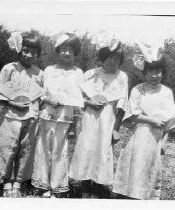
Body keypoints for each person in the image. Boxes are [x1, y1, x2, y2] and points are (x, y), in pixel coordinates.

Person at [69, 32, 129, 198]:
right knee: (87, 150)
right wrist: (89, 102)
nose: (113, 61)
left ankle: (96, 190)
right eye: (109, 57)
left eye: (117, 58)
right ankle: (85, 190)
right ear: (102, 57)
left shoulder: (122, 77)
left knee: (102, 152)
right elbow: (77, 98)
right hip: (90, 119)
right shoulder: (90, 74)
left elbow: (123, 105)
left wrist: (116, 129)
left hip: (108, 121)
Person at [113, 43, 175, 200]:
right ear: (145, 73)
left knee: (151, 166)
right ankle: (129, 194)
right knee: (135, 163)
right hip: (139, 135)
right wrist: (150, 120)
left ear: (163, 73)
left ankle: (146, 195)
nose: (155, 75)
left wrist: (164, 142)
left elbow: (169, 122)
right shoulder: (138, 90)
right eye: (151, 72)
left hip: (156, 137)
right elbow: (133, 114)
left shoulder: (167, 92)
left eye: (158, 72)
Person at [0, 32, 44, 197]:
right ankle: (6, 181)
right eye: (25, 50)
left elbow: (41, 96)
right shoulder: (9, 68)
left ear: (38, 54)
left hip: (32, 116)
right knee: (7, 147)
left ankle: (18, 181)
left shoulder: (39, 73)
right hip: (11, 116)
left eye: (33, 52)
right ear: (19, 50)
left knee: (25, 150)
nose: (29, 55)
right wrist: (13, 103)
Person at [31, 33, 84, 198]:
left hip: (65, 118)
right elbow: (39, 92)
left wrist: (75, 123)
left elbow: (78, 100)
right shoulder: (48, 70)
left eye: (70, 50)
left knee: (60, 151)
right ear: (58, 51)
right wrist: (48, 99)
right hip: (47, 115)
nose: (66, 53)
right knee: (43, 149)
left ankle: (57, 185)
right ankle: (42, 184)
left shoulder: (78, 73)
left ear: (75, 52)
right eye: (63, 49)